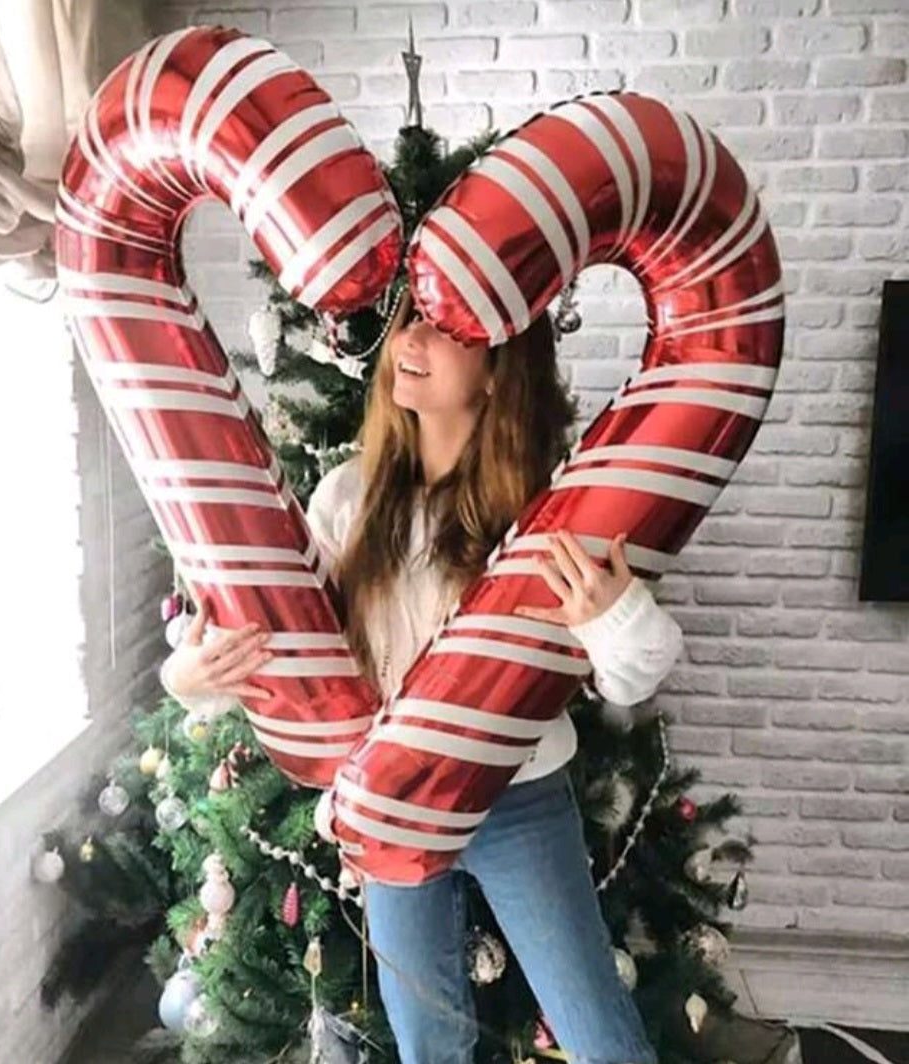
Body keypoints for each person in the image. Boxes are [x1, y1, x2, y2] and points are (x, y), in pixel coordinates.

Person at [162, 288, 683, 1064]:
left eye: (445, 331)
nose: (409, 341)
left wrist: (617, 615)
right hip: (392, 801)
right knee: (426, 1039)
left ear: (499, 368)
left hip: (518, 797)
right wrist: (190, 675)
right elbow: (279, 646)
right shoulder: (347, 499)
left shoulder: (546, 512)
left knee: (594, 1021)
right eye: (409, 320)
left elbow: (633, 678)